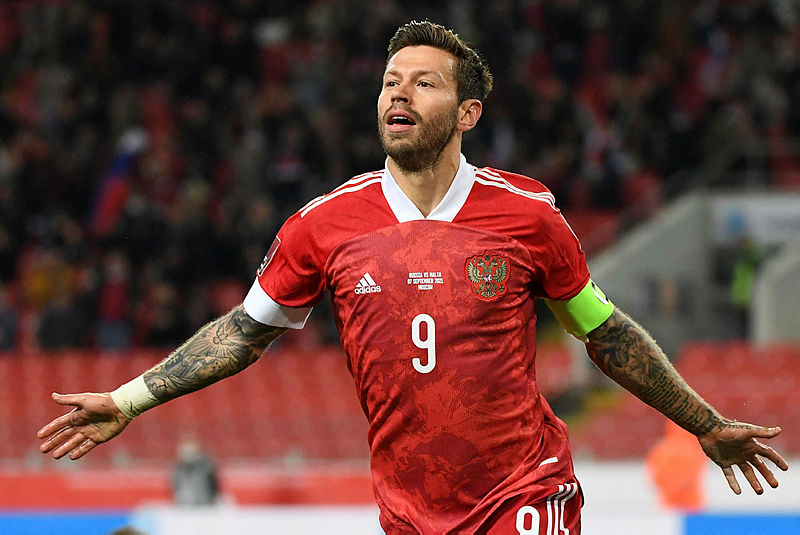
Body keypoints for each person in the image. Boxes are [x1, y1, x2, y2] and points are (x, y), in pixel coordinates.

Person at [37, 21, 787, 534]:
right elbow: (243, 333)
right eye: (391, 81)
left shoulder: (527, 215)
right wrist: (128, 400)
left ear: (467, 113)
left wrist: (704, 423)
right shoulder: (324, 224)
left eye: (423, 83)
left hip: (525, 493)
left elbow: (605, 332)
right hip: (409, 511)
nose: (398, 93)